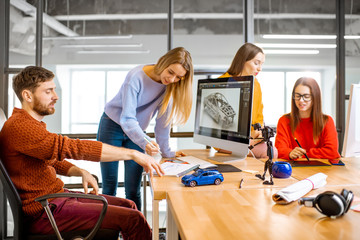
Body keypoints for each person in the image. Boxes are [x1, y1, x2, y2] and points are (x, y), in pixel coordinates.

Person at [0, 66, 164, 240]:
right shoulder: (21, 127)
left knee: (129, 205)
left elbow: (51, 159)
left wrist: (80, 171)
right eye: (48, 92)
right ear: (27, 95)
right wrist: (133, 154)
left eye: (54, 90)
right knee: (134, 219)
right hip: (46, 212)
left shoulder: (28, 124)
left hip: (55, 201)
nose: (55, 97)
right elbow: (72, 147)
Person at [97, 47, 193, 209]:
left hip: (136, 133)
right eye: (170, 72)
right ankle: (109, 233)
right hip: (112, 125)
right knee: (109, 187)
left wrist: (167, 153)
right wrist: (145, 141)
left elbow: (163, 124)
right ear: (163, 62)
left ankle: (135, 233)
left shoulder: (169, 86)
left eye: (178, 77)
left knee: (134, 189)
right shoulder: (136, 76)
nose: (172, 79)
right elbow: (127, 118)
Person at [218, 42, 278, 159]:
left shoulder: (256, 84)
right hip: (227, 140)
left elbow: (259, 115)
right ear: (243, 60)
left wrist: (259, 132)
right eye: (256, 63)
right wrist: (246, 135)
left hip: (250, 138)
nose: (260, 68)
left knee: (271, 151)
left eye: (262, 64)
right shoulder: (223, 83)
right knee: (271, 153)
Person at [275, 77, 341, 160]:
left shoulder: (327, 121)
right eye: (297, 96)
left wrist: (304, 155)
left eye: (306, 96)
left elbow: (332, 152)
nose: (301, 100)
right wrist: (290, 153)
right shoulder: (284, 120)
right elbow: (279, 150)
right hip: (293, 170)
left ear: (315, 97)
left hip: (321, 170)